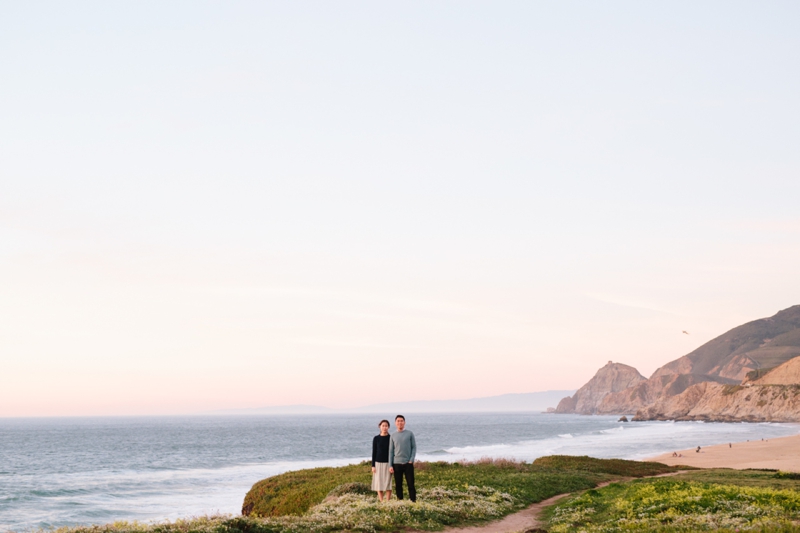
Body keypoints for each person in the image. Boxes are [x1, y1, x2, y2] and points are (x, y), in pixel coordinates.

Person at [388, 414, 416, 502]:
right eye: (398, 421)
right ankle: (400, 502)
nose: (400, 422)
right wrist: (390, 465)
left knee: (411, 484)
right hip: (396, 464)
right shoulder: (393, 435)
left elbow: (414, 447)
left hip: (408, 463)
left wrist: (411, 460)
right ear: (395, 423)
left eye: (401, 421)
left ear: (404, 422)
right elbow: (391, 451)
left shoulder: (410, 433)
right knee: (398, 485)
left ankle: (413, 501)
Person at [371, 420, 392, 501]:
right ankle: (381, 501)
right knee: (379, 483)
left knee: (388, 483)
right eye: (383, 426)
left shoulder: (391, 438)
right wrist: (373, 465)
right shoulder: (376, 438)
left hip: (388, 463)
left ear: (388, 427)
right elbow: (374, 452)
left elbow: (392, 452)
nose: (384, 427)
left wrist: (392, 464)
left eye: (386, 426)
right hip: (378, 463)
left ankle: (388, 501)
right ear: (379, 426)